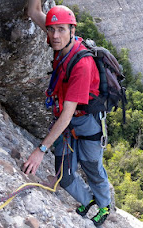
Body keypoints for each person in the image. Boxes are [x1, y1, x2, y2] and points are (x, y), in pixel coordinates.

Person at [22, 0, 111, 226]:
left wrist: (41, 149)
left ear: (73, 31)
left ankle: (104, 206)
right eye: (51, 29)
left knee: (91, 165)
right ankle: (88, 200)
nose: (54, 35)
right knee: (65, 176)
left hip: (87, 121)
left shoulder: (82, 64)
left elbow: (68, 114)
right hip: (67, 122)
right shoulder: (59, 41)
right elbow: (34, 11)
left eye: (61, 29)